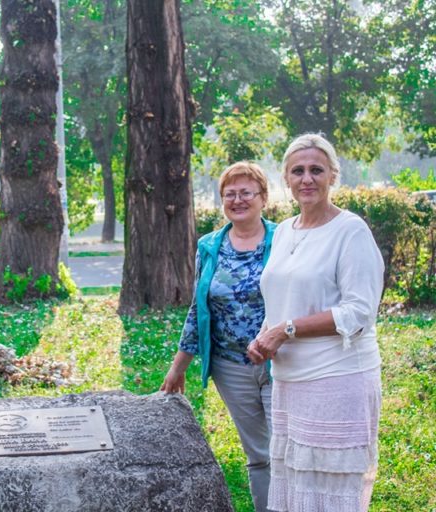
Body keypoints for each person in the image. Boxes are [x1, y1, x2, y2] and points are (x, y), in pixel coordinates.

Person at [247, 133, 384, 511]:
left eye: (316, 170)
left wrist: (286, 330)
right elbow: (281, 297)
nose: (307, 179)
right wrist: (264, 336)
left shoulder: (350, 231)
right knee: (296, 488)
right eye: (298, 171)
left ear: (333, 176)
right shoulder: (285, 230)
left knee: (330, 494)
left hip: (337, 381)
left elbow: (358, 313)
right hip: (290, 383)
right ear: (286, 180)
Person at [161, 162, 277, 512]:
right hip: (231, 369)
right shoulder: (209, 246)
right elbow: (199, 308)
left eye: (246, 193)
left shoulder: (285, 238)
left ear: (263, 198)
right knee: (258, 454)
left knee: (287, 448)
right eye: (230, 194)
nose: (238, 200)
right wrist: (179, 366)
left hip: (282, 363)